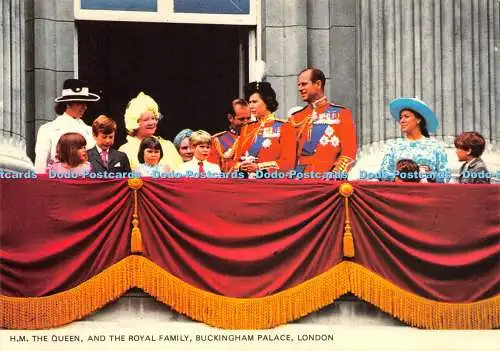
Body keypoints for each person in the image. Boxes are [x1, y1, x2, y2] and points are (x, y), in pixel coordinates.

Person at [285, 68, 357, 174]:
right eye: (299, 85)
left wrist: (334, 176)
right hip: (300, 180)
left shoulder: (342, 114)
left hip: (329, 180)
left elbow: (348, 153)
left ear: (318, 84)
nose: (300, 88)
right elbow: (288, 155)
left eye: (304, 84)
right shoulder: (296, 118)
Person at [35, 79, 100, 173]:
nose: (84, 107)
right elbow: (40, 166)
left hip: (85, 183)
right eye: (80, 103)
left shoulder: (90, 131)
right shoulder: (47, 129)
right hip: (57, 183)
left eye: (85, 103)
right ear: (68, 103)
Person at [229, 82, 295, 174]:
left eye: (255, 102)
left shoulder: (284, 127)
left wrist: (259, 167)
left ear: (267, 101)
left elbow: (288, 163)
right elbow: (235, 161)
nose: (251, 106)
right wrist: (241, 167)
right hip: (246, 183)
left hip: (270, 183)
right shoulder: (246, 128)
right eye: (249, 102)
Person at [379, 97, 449, 183]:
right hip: (400, 194)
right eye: (401, 117)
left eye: (406, 116)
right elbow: (383, 174)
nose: (402, 121)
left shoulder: (435, 146)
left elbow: (445, 176)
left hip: (427, 194)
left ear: (418, 119)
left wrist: (430, 175)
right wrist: (397, 178)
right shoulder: (394, 146)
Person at [118, 92, 182, 170]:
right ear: (135, 122)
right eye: (146, 119)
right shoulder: (125, 150)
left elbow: (180, 173)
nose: (152, 123)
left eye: (153, 118)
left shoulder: (168, 146)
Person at [208, 99, 251, 172]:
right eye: (242, 119)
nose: (246, 122)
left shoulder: (256, 136)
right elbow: (213, 169)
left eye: (248, 118)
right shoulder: (219, 141)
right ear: (230, 118)